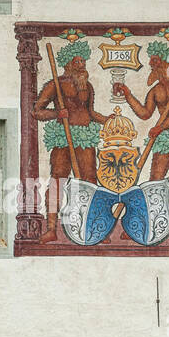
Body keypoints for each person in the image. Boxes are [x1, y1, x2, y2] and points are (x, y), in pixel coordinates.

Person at [112, 40, 169, 243]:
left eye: (157, 63)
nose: (154, 67)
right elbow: (145, 113)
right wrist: (127, 94)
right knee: (155, 180)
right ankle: (144, 224)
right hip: (164, 137)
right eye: (153, 65)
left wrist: (160, 127)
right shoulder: (155, 90)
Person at [34, 39, 108, 243]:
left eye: (83, 61)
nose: (82, 65)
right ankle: (51, 229)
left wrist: (108, 120)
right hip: (63, 138)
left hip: (84, 138)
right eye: (78, 62)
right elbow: (37, 111)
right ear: (68, 63)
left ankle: (93, 227)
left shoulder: (88, 87)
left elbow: (91, 112)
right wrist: (57, 113)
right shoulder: (55, 85)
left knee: (90, 181)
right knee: (58, 179)